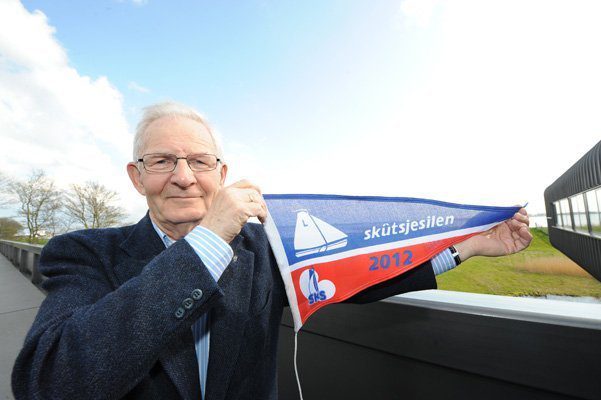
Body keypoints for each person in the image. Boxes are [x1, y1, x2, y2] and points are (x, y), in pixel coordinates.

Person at [12, 102, 532, 400]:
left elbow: (354, 272)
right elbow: (51, 380)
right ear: (137, 176)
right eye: (163, 160)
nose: (183, 177)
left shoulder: (266, 252)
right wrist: (207, 243)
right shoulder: (81, 253)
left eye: (198, 161)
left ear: (222, 173)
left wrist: (464, 247)